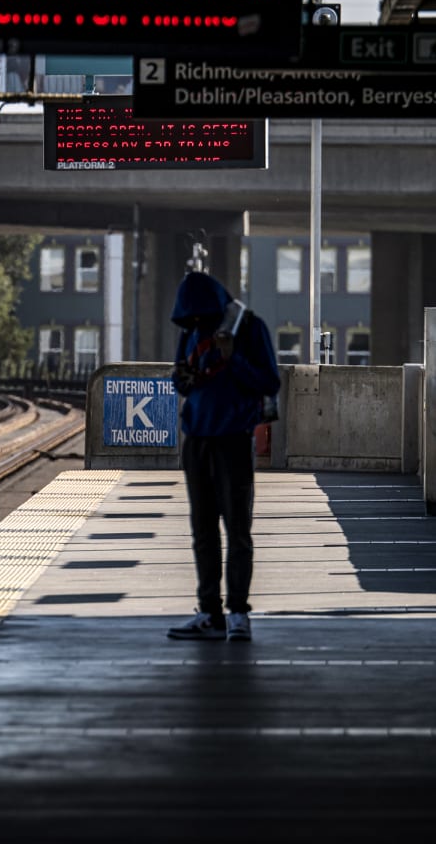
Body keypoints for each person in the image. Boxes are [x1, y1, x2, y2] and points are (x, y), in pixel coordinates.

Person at [166, 270, 281, 642]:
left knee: (237, 530)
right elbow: (181, 376)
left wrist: (233, 360)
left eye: (201, 316)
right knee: (202, 531)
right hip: (196, 439)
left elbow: (270, 381)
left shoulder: (249, 328)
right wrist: (181, 375)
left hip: (233, 438)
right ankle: (210, 612)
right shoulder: (192, 329)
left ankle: (238, 613)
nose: (197, 323)